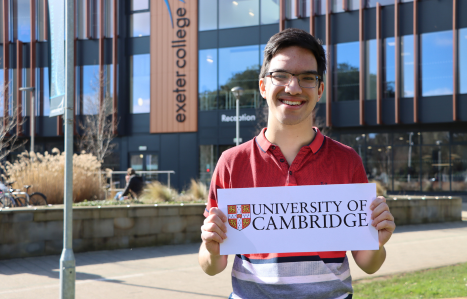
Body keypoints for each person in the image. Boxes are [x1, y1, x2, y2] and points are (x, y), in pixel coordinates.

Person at [198, 28, 396, 299]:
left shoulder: (347, 160)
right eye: (281, 75)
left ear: (320, 89)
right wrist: (210, 247)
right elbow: (212, 266)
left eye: (307, 78)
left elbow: (368, 263)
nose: (293, 87)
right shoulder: (231, 162)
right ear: (263, 86)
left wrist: (377, 243)